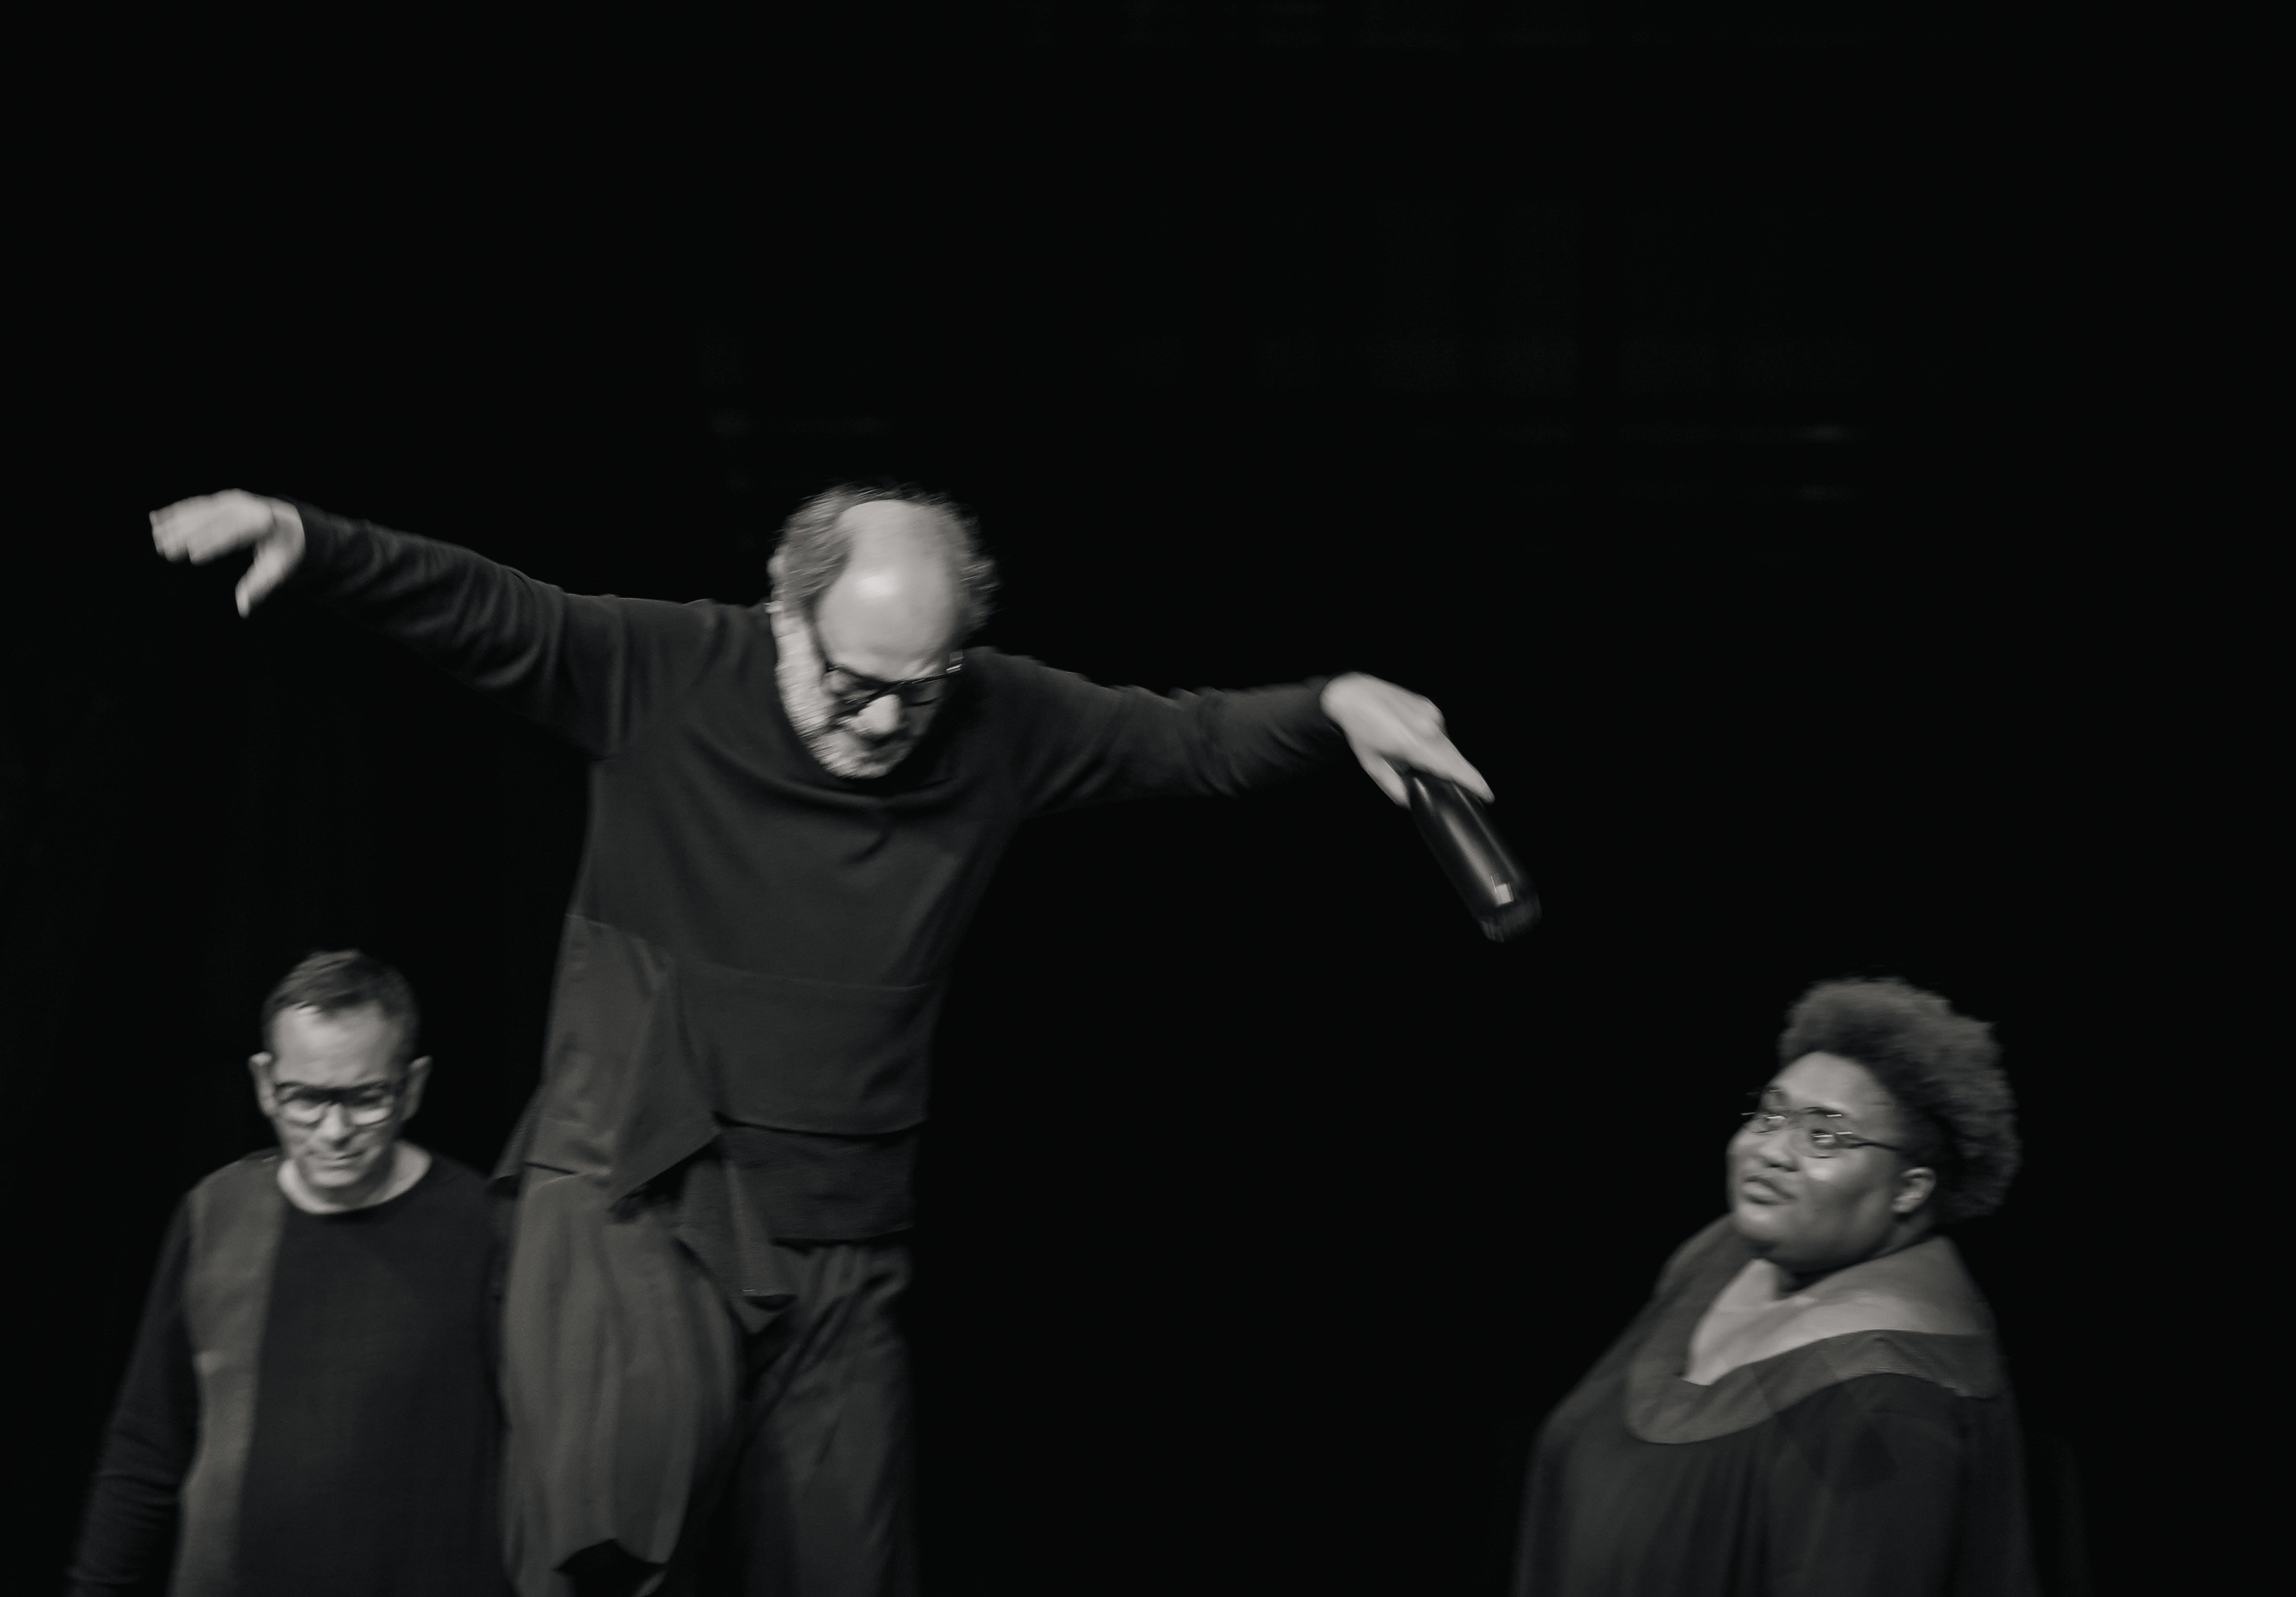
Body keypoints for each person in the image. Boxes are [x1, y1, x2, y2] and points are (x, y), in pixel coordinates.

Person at [149, 483, 1493, 1597]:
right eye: (852, 685)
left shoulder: (999, 717)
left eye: (919, 689)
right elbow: (491, 609)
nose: (882, 724)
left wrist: (1331, 702)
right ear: (785, 616)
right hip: (636, 1195)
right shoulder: (666, 668)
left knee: (844, 1565)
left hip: (844, 1243)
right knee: (608, 1544)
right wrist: (317, 540)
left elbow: (1184, 739)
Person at [1514, 976, 2040, 1597]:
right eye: (1771, 1114)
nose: (1772, 1150)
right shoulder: (1720, 1255)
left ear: (1909, 1189)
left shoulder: (1891, 1404)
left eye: (1824, 1135)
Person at [68, 949, 508, 1597]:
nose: (335, 1130)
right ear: (265, 1083)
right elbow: (147, 1441)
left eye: (366, 1097)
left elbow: (541, 1450)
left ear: (412, 1086)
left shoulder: (484, 1226)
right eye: (306, 1098)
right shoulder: (216, 1214)